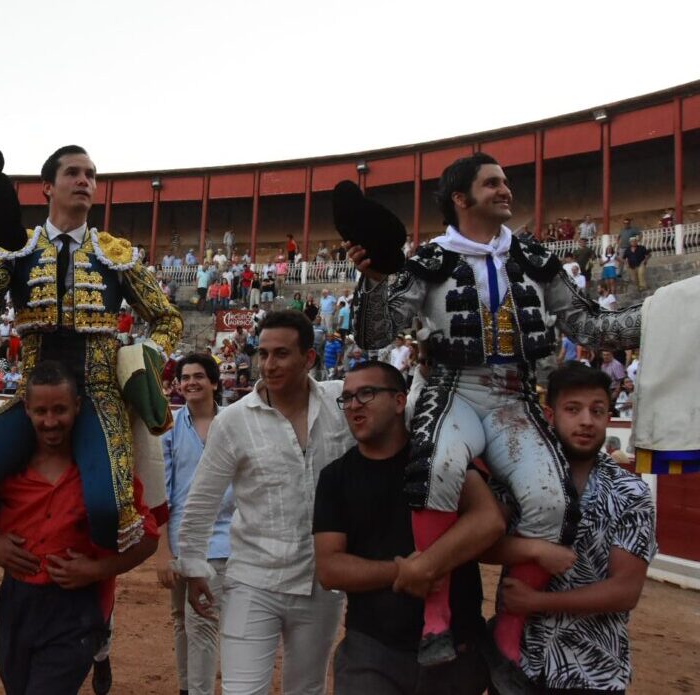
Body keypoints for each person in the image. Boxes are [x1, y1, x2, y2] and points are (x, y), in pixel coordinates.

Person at [348, 153, 642, 673]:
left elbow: (592, 327)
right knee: (435, 465)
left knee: (550, 499)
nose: (506, 190)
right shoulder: (427, 261)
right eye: (492, 183)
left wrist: (672, 308)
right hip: (451, 388)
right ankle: (434, 615)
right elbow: (374, 336)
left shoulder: (535, 258)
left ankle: (508, 625)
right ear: (461, 199)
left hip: (514, 395)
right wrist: (371, 281)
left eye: (505, 182)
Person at [0, 145, 181, 553]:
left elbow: (168, 319)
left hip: (99, 395)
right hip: (32, 397)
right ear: (47, 188)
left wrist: (148, 355)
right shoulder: (17, 248)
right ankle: (25, 537)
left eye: (91, 174)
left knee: (109, 512)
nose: (85, 181)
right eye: (73, 173)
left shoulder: (115, 254)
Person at [176, 310, 353, 695]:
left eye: (281, 354)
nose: (269, 365)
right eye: (263, 353)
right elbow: (203, 498)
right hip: (252, 579)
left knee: (306, 690)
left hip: (320, 581)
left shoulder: (343, 402)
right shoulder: (234, 421)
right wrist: (192, 566)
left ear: (309, 358)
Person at [0, 361, 159, 694]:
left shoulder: (104, 473)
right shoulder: (7, 468)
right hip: (16, 604)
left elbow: (148, 540)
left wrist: (97, 569)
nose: (50, 421)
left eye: (60, 410)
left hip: (76, 610)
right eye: (41, 410)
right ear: (26, 409)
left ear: (78, 407)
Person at [314, 361, 502, 695]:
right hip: (372, 647)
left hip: (456, 649)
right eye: (347, 398)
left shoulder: (444, 458)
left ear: (400, 401)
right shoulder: (336, 477)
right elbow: (329, 568)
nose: (354, 404)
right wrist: (404, 570)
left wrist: (426, 565)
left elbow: (489, 520)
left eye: (367, 393)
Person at [484, 363, 656, 694]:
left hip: (593, 672)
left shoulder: (630, 492)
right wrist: (534, 549)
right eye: (573, 410)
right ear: (551, 415)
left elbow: (625, 591)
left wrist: (536, 603)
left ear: (609, 416)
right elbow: (483, 544)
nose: (587, 421)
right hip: (517, 666)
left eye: (597, 410)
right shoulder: (515, 477)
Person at [157, 353, 232, 695]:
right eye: (185, 377)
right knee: (182, 620)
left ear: (214, 382)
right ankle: (187, 688)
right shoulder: (169, 429)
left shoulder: (234, 424)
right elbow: (163, 494)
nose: (190, 382)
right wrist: (163, 551)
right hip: (180, 538)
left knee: (202, 620)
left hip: (223, 540)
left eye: (198, 376)